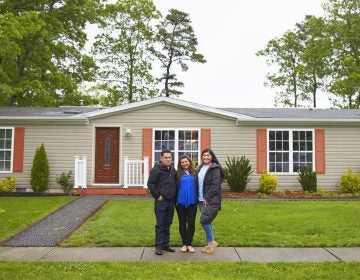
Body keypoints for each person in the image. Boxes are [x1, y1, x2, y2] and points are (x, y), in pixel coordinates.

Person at [147, 149, 177, 255]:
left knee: (168, 223)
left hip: (171, 202)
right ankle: (158, 246)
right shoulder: (157, 169)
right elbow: (150, 183)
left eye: (170, 157)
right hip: (161, 202)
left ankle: (165, 244)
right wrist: (157, 196)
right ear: (161, 158)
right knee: (160, 224)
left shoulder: (173, 170)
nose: (168, 159)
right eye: (166, 157)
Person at [197, 148, 224, 254]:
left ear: (212, 157)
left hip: (210, 200)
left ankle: (212, 242)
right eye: (204, 155)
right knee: (207, 221)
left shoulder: (215, 168)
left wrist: (206, 197)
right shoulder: (201, 167)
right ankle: (209, 245)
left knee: (204, 221)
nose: (205, 157)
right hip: (200, 199)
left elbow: (215, 185)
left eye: (208, 155)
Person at [176, 155, 197, 253]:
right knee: (182, 223)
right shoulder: (177, 174)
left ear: (189, 161)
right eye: (182, 162)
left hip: (193, 202)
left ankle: (189, 244)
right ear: (180, 164)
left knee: (191, 223)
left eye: (186, 161)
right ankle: (184, 244)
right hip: (180, 202)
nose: (185, 163)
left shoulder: (195, 173)